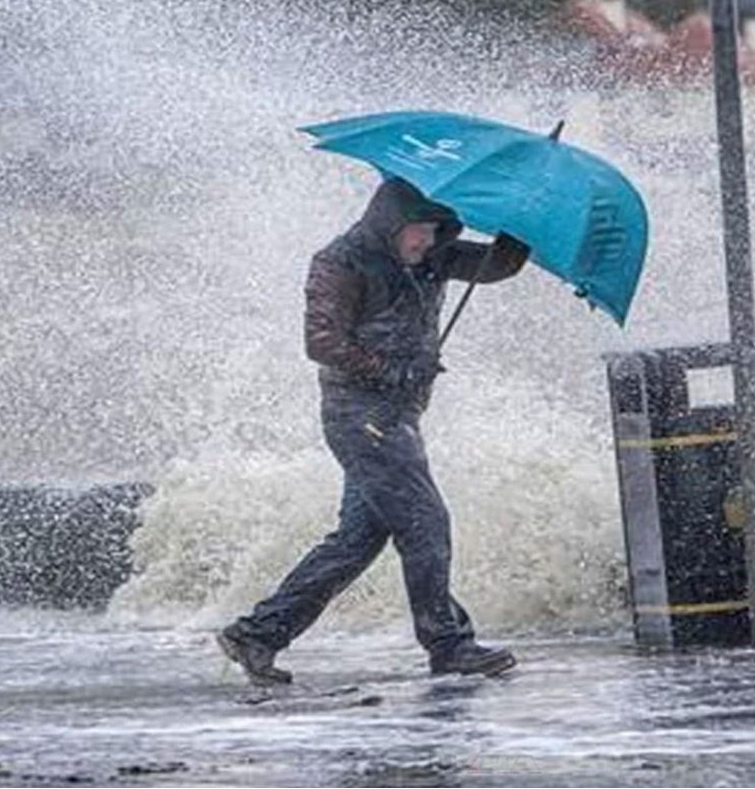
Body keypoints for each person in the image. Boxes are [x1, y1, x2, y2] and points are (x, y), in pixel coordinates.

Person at [216, 177, 530, 685]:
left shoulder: (435, 257)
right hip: (359, 415)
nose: (426, 242)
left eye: (436, 231)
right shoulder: (340, 262)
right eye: (419, 231)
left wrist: (520, 222)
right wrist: (388, 370)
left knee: (358, 539)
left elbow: (497, 266)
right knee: (425, 521)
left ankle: (257, 634)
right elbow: (321, 342)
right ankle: (449, 645)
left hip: (399, 416)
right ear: (391, 223)